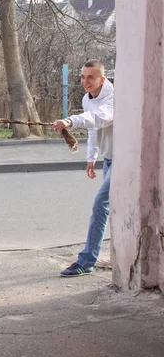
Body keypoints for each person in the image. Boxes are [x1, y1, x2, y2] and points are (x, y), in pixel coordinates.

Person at [53, 59, 113, 277]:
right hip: (109, 159)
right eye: (83, 77)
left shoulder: (113, 98)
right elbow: (94, 131)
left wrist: (70, 121)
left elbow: (98, 118)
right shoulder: (88, 98)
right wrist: (91, 158)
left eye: (91, 77)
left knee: (100, 205)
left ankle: (86, 261)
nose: (85, 82)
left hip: (125, 161)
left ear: (102, 79)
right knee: (110, 209)